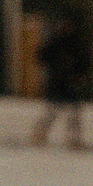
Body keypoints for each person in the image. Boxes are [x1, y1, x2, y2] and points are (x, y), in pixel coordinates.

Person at [32, 12, 88, 148]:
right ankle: (40, 133)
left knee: (73, 112)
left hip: (68, 81)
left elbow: (82, 62)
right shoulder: (56, 42)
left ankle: (73, 138)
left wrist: (79, 74)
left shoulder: (74, 44)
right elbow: (41, 56)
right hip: (58, 82)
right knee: (52, 111)